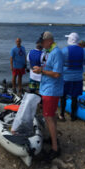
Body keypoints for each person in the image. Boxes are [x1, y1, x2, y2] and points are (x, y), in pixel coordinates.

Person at [32, 31, 63, 159]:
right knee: (52, 116)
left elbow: (57, 74)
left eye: (43, 42)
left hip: (52, 90)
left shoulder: (56, 53)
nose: (41, 44)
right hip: (46, 88)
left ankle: (55, 148)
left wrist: (42, 71)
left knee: (48, 117)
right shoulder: (48, 51)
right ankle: (52, 138)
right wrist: (39, 70)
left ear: (49, 41)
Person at [57, 33, 85, 122]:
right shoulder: (83, 51)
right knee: (74, 97)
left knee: (63, 97)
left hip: (66, 78)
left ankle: (62, 114)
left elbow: (60, 64)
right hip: (78, 78)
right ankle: (73, 116)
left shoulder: (64, 50)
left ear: (70, 40)